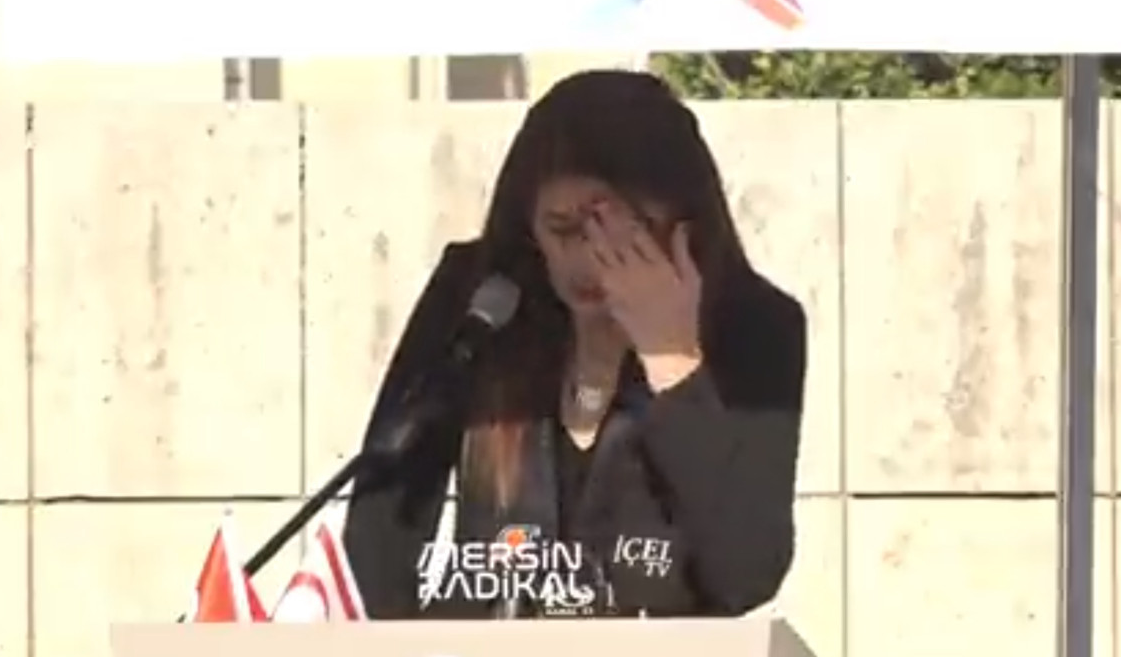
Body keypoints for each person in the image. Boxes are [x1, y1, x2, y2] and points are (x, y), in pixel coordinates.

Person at [343, 69, 807, 620]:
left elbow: (746, 573)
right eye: (562, 229)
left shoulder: (756, 322)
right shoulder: (483, 300)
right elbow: (381, 516)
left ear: (679, 223)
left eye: (619, 230)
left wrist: (673, 363)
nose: (588, 257)